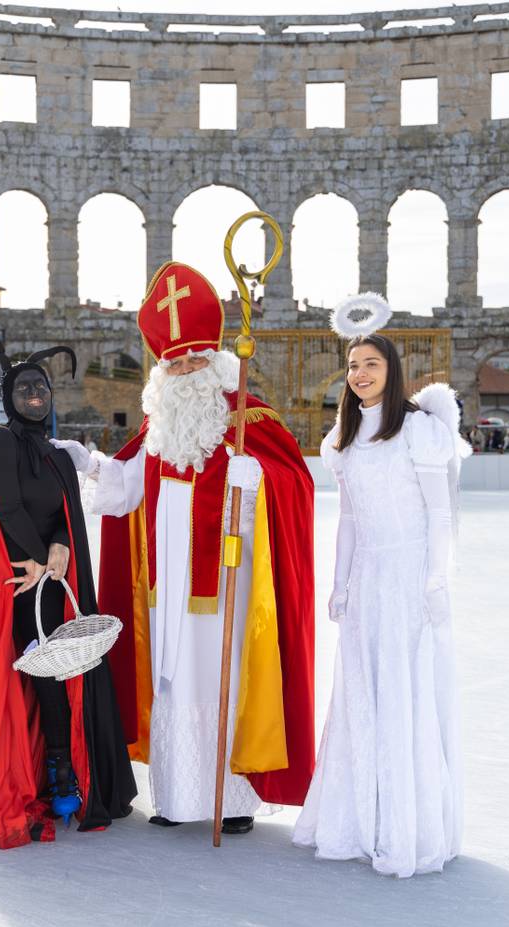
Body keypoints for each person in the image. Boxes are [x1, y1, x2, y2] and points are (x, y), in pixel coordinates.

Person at [53, 261, 315, 832]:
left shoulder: (249, 419)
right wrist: (91, 465)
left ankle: (233, 802)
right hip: (167, 587)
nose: (185, 369)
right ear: (161, 371)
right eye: (174, 363)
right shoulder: (159, 429)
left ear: (216, 358)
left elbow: (295, 483)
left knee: (224, 677)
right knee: (171, 677)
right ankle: (175, 798)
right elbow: (127, 488)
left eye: (195, 359)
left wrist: (257, 478)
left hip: (227, 582)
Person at [0, 317, 136, 848]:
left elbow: (65, 514)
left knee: (57, 674)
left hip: (49, 578)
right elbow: (7, 509)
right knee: (28, 675)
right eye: (24, 388)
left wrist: (61, 547)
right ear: (9, 397)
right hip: (18, 582)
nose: (34, 395)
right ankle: (24, 779)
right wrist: (42, 560)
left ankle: (62, 771)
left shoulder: (56, 452)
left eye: (41, 387)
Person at [293, 294, 470, 877]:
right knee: (363, 691)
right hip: (368, 579)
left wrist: (435, 580)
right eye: (352, 365)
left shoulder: (418, 430)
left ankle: (405, 826)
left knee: (403, 690)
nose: (360, 374)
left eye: (371, 363)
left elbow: (438, 513)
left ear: (391, 371)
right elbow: (348, 517)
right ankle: (360, 819)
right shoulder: (342, 440)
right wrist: (340, 583)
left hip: (408, 575)